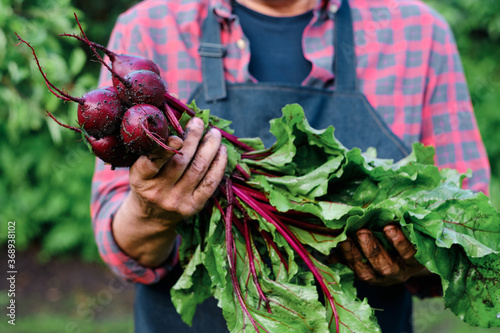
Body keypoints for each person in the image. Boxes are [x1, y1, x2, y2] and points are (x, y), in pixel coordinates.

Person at [91, 0, 491, 332]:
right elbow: (120, 249)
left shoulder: (420, 33)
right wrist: (151, 213)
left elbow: (469, 236)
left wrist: (417, 258)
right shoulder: (150, 26)